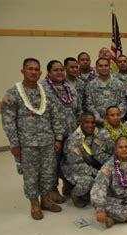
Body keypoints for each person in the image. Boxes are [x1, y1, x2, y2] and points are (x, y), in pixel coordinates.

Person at [1, 58, 64, 220]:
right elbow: (8, 121)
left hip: (47, 142)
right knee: (30, 175)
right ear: (23, 71)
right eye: (30, 69)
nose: (34, 72)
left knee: (47, 173)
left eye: (37, 69)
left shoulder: (46, 92)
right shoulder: (13, 93)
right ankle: (34, 205)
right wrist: (14, 144)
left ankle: (46, 201)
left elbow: (55, 116)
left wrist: (57, 138)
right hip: (26, 144)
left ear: (41, 73)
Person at [42, 60, 82, 202]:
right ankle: (52, 189)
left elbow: (78, 109)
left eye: (61, 70)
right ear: (49, 72)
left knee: (69, 159)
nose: (59, 72)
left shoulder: (69, 87)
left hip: (71, 132)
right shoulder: (42, 89)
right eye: (56, 70)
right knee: (52, 162)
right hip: (53, 134)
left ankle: (67, 183)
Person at [61, 111, 101, 208]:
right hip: (73, 167)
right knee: (88, 181)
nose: (90, 125)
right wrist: (98, 173)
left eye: (92, 122)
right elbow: (78, 165)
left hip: (90, 165)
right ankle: (75, 194)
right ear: (80, 123)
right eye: (87, 122)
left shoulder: (98, 133)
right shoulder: (73, 140)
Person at [84, 57, 126, 126]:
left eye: (106, 65)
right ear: (96, 68)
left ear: (110, 67)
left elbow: (123, 103)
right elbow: (89, 105)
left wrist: (115, 117)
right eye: (101, 66)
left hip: (116, 123)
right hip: (97, 124)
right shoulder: (90, 85)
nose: (104, 68)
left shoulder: (119, 84)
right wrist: (99, 119)